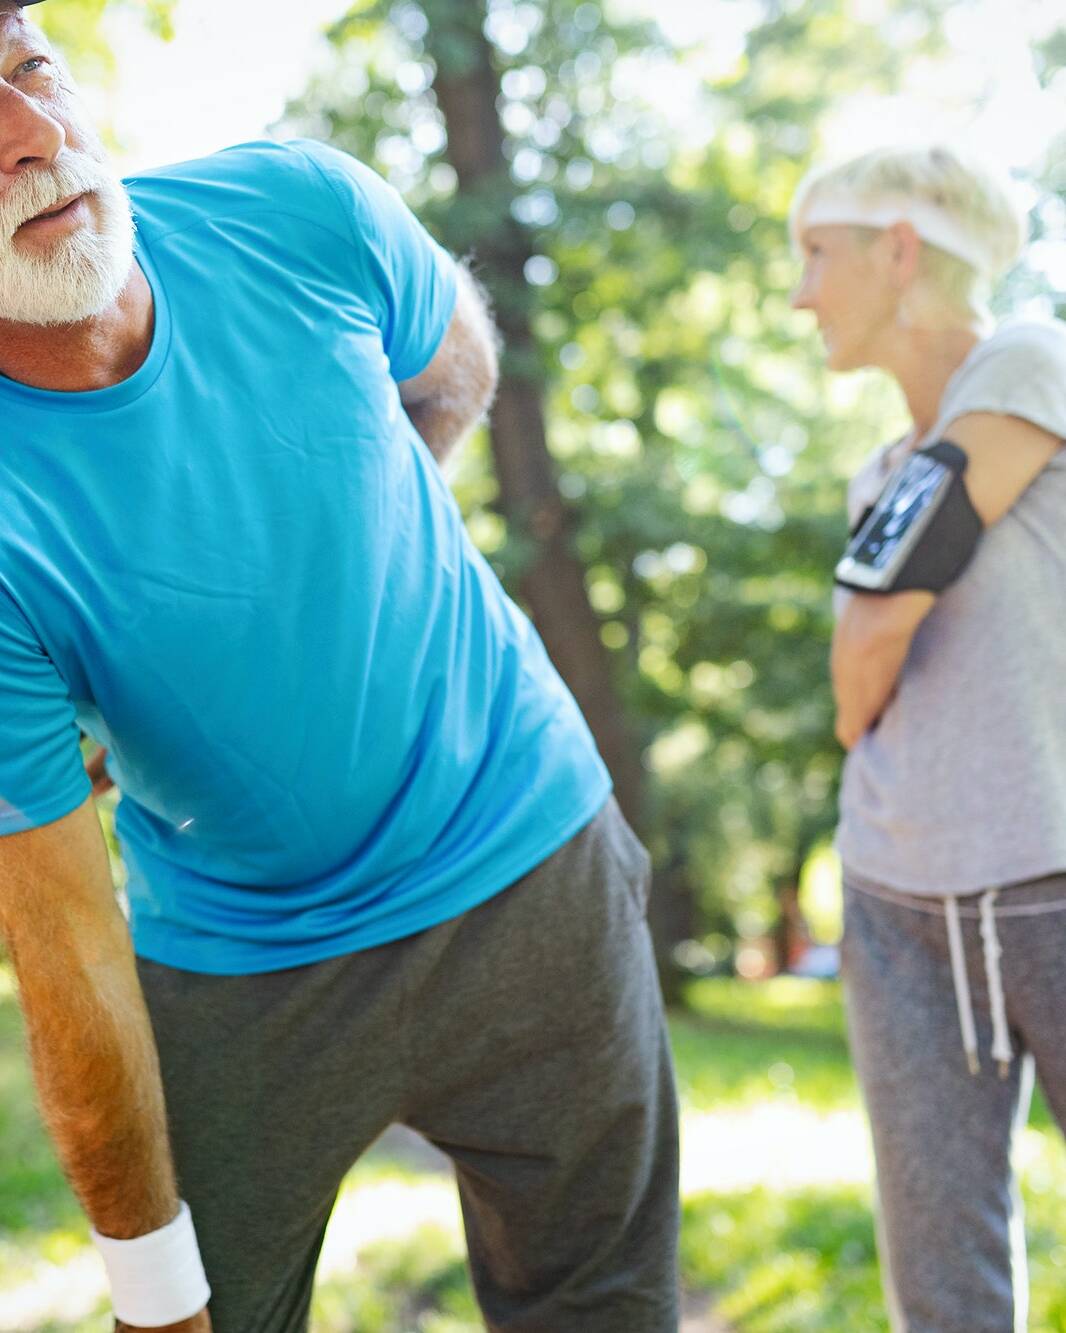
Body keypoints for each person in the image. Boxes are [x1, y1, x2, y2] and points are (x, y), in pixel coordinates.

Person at [0, 4, 680, 1330]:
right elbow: (65, 940)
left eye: (29, 73)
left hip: (530, 854)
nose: (27, 136)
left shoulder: (300, 207)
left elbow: (453, 370)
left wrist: (345, 556)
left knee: (600, 1305)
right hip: (243, 959)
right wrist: (151, 1291)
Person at [789, 141, 1066, 1332]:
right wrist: (869, 639)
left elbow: (874, 633)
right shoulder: (876, 475)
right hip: (899, 901)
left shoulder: (1027, 363)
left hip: (1051, 871)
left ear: (899, 249)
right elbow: (857, 679)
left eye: (814, 252)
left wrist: (870, 634)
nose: (797, 293)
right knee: (942, 1287)